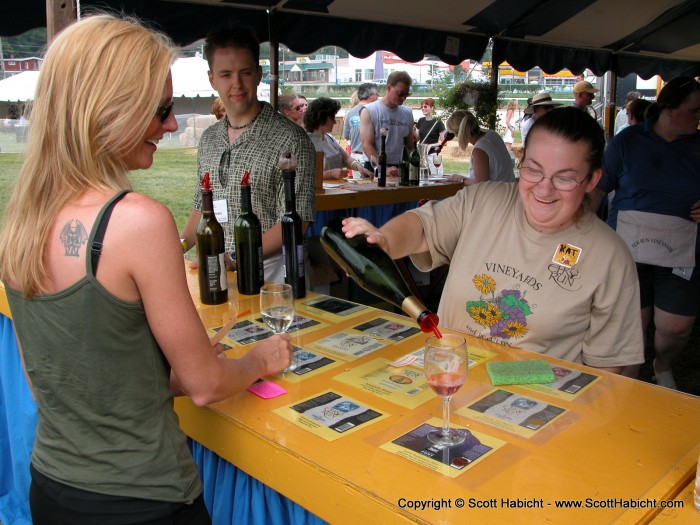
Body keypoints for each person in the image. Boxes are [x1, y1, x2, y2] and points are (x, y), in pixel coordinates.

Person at [0, 15, 292, 524]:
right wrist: (260, 361)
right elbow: (204, 385)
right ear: (109, 109)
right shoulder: (138, 221)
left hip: (51, 487)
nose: (173, 124)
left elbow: (55, 378)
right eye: (161, 110)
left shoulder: (18, 223)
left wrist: (163, 371)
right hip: (146, 501)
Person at [341, 107, 643, 371]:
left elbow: (608, 368)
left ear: (592, 179)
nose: (544, 189)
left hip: (533, 412)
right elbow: (421, 226)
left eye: (564, 178)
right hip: (448, 382)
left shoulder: (609, 256)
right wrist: (384, 239)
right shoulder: (484, 201)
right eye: (534, 170)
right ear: (521, 160)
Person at [180, 25, 315, 284]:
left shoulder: (291, 140)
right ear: (212, 79)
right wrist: (177, 248)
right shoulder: (209, 139)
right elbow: (201, 208)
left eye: (245, 72)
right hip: (219, 274)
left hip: (276, 276)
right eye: (226, 74)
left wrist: (236, 257)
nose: (236, 84)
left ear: (258, 75)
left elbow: (297, 223)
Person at [592, 76, 700, 389]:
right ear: (669, 110)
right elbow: (598, 190)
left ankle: (663, 363)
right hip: (628, 251)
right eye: (693, 111)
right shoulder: (627, 141)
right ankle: (631, 385)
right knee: (632, 327)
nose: (697, 118)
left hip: (682, 250)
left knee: (676, 327)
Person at [360, 71, 415, 177]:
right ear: (389, 87)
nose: (404, 97)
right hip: (375, 167)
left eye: (407, 94)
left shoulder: (408, 113)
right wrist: (383, 167)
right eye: (400, 94)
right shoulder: (369, 110)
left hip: (400, 168)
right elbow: (366, 145)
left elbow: (410, 146)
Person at [304, 97, 372, 180]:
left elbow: (346, 158)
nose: (335, 122)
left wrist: (359, 167)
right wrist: (330, 174)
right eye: (332, 118)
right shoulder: (307, 142)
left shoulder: (329, 138)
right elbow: (306, 175)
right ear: (323, 118)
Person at [445, 109, 515, 184]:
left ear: (457, 133)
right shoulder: (492, 134)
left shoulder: (479, 150)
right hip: (509, 190)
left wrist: (461, 179)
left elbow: (480, 184)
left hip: (497, 194)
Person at [342, 82, 378, 161]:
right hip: (368, 156)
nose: (378, 97)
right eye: (377, 94)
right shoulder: (374, 111)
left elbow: (347, 136)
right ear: (371, 95)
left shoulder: (350, 113)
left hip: (355, 156)